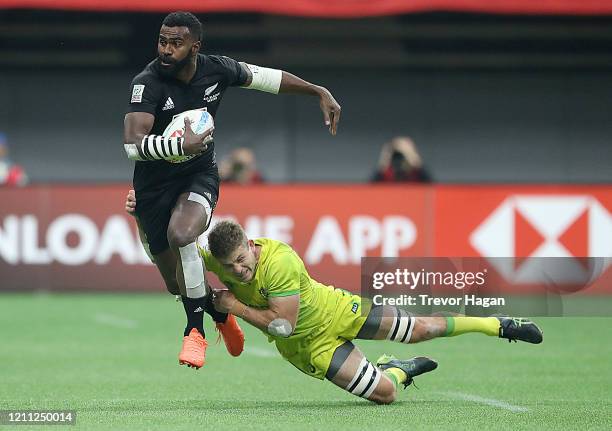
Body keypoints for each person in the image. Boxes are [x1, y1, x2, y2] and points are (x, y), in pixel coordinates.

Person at [125, 193, 543, 403]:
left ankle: (497, 325)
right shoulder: (217, 260)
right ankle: (396, 371)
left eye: (240, 261)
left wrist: (232, 306)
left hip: (334, 310)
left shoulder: (281, 263)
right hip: (309, 348)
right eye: (229, 267)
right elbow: (173, 266)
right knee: (385, 395)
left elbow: (280, 322)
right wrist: (144, 220)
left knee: (420, 329)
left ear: (251, 245)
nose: (238, 271)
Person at [123, 11, 341, 369]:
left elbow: (268, 79)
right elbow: (132, 145)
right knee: (177, 285)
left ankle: (195, 333)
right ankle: (221, 316)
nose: (166, 49)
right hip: (153, 188)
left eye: (175, 43)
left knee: (182, 234)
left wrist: (318, 90)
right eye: (162, 41)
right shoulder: (147, 83)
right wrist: (179, 146)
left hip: (198, 176)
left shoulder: (217, 69)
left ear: (195, 46)